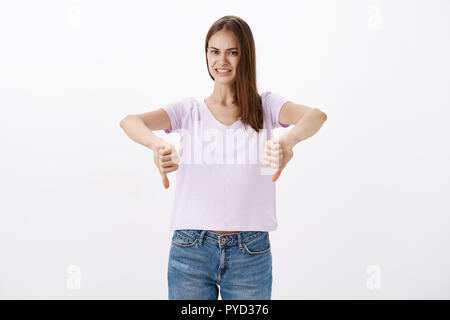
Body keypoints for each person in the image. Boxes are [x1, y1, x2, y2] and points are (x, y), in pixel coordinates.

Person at [120, 15, 327, 300]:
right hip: (190, 249)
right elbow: (130, 121)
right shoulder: (188, 111)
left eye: (232, 52)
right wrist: (156, 144)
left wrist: (288, 141)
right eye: (214, 51)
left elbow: (316, 116)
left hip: (250, 252)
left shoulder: (265, 106)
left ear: (246, 56)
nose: (222, 61)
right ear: (206, 54)